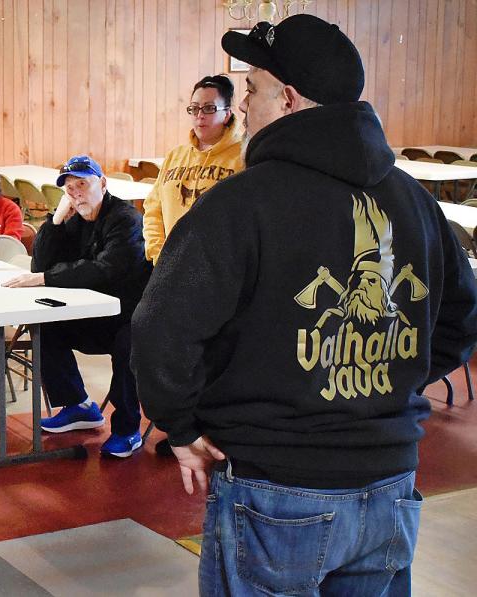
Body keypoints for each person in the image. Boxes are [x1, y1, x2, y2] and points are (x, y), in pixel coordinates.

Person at [131, 15, 477, 595]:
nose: (244, 106)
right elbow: (462, 318)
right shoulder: (415, 202)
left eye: (252, 90)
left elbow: (161, 327)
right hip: (390, 485)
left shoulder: (239, 204)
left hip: (277, 487)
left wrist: (182, 426)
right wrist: (387, 379)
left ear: (288, 100)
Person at [4, 155, 151, 457]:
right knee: (44, 325)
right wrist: (55, 221)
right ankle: (79, 405)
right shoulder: (76, 218)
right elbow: (41, 264)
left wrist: (46, 278)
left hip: (130, 316)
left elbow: (104, 269)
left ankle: (127, 429)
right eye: (70, 188)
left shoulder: (126, 219)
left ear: (103, 183)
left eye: (82, 184)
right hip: (94, 314)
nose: (76, 193)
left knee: (128, 344)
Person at [142, 74, 243, 263]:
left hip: (218, 269)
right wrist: (159, 254)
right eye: (194, 108)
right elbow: (153, 208)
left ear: (227, 113)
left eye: (209, 108)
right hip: (169, 265)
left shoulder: (243, 157)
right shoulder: (175, 156)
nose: (200, 116)